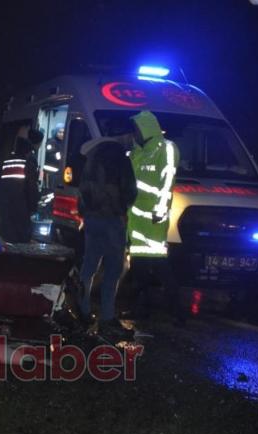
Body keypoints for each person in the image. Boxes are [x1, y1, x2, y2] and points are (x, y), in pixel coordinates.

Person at [76, 129, 138, 339]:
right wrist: (122, 209)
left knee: (89, 266)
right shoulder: (121, 160)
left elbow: (82, 191)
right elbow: (130, 191)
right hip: (113, 220)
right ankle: (107, 316)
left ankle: (82, 310)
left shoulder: (91, 161)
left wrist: (86, 213)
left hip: (92, 220)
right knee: (113, 269)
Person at [126, 111, 182, 320]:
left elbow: (167, 180)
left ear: (145, 128)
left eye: (137, 130)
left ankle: (176, 312)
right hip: (136, 222)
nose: (134, 134)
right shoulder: (136, 153)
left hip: (153, 220)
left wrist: (160, 209)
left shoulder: (166, 148)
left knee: (161, 268)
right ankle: (141, 310)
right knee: (139, 270)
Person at [0, 129, 44, 243]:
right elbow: (31, 186)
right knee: (21, 238)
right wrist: (34, 205)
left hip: (5, 205)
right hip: (21, 206)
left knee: (6, 236)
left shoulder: (6, 162)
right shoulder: (27, 163)